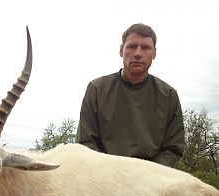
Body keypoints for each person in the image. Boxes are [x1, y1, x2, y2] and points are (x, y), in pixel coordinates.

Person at [76, 23, 184, 167]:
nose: (138, 53)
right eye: (132, 46)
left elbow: (173, 148)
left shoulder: (168, 95)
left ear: (154, 53)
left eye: (145, 47)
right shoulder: (97, 89)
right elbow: (86, 142)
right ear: (121, 50)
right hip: (104, 174)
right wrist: (113, 172)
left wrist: (148, 173)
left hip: (152, 176)